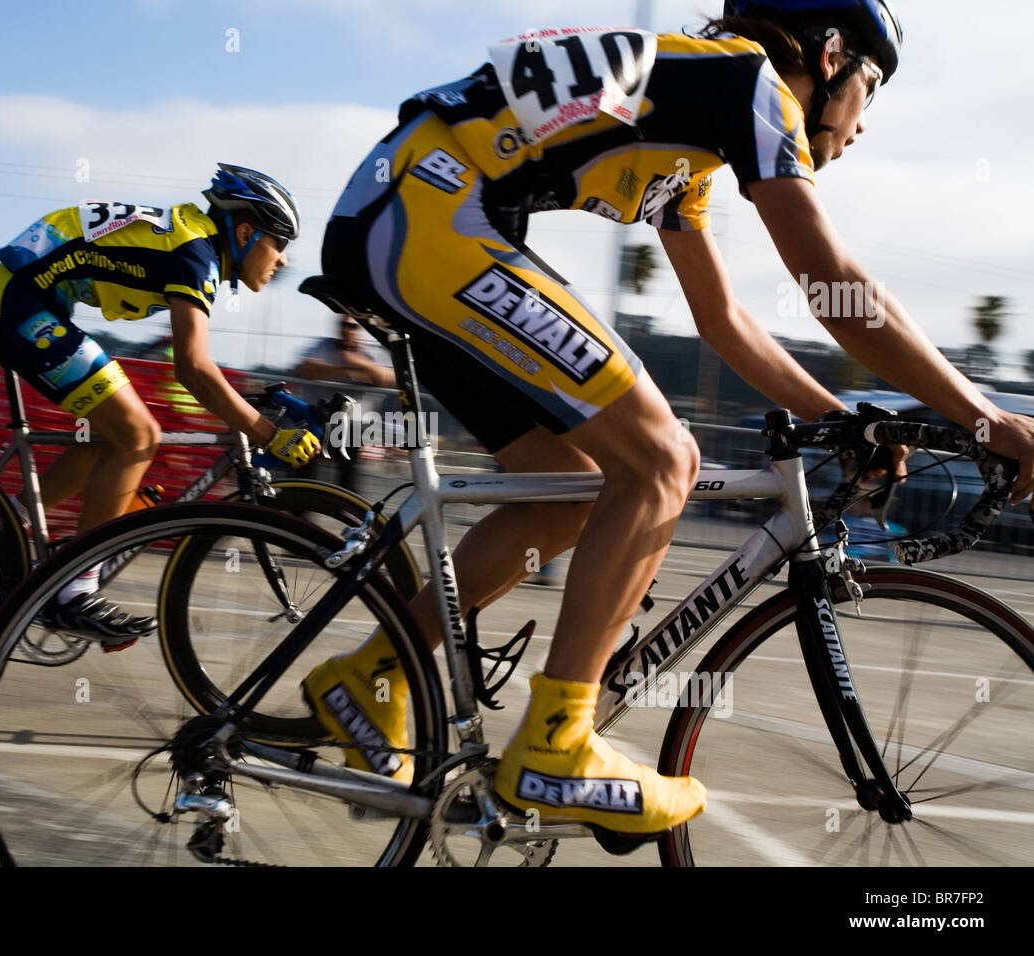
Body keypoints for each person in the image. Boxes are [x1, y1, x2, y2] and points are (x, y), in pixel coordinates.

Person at [302, 1, 1034, 839]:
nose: (865, 122)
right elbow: (829, 281)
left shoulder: (692, 119)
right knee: (661, 460)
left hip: (414, 214)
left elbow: (723, 321)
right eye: (872, 86)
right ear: (831, 55)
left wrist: (839, 418)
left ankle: (376, 676)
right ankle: (556, 744)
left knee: (572, 487)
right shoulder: (749, 82)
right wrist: (982, 418)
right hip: (429, 216)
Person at [0, 165, 320, 646]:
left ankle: (1, 528)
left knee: (112, 434)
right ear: (245, 231)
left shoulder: (194, 241)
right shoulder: (196, 254)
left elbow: (195, 367)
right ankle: (73, 591)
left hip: (21, 297)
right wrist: (268, 433)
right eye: (279, 245)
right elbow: (192, 368)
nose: (280, 260)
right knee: (138, 434)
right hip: (16, 302)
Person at [293, 313, 395, 493]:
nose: (346, 331)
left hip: (351, 427)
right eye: (343, 326)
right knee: (304, 477)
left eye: (352, 327)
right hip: (317, 421)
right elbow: (304, 369)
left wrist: (362, 364)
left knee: (348, 481)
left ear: (361, 330)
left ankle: (350, 515)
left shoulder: (372, 353)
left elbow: (387, 379)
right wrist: (348, 370)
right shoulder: (324, 345)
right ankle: (299, 511)